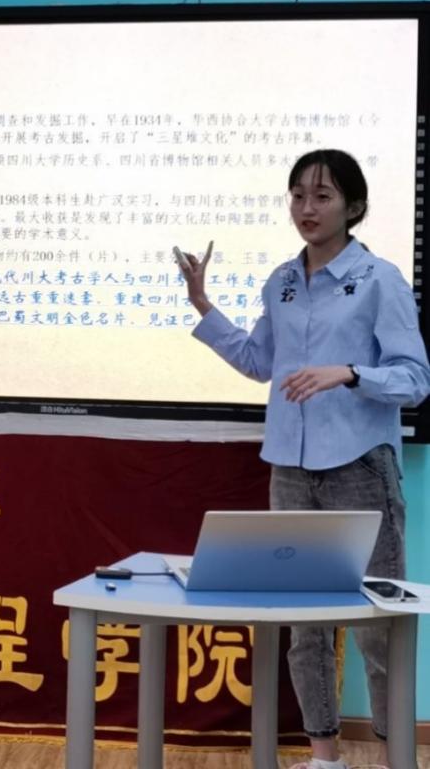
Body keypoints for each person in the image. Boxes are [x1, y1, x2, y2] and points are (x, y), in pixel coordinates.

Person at [178, 149, 430, 769]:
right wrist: (203, 305)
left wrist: (350, 373)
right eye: (297, 195)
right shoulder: (283, 281)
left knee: (378, 623)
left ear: (353, 206)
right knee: (303, 623)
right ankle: (324, 756)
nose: (306, 208)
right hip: (290, 469)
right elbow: (260, 362)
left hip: (359, 467)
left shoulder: (380, 280)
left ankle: (395, 756)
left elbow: (414, 379)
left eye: (322, 196)